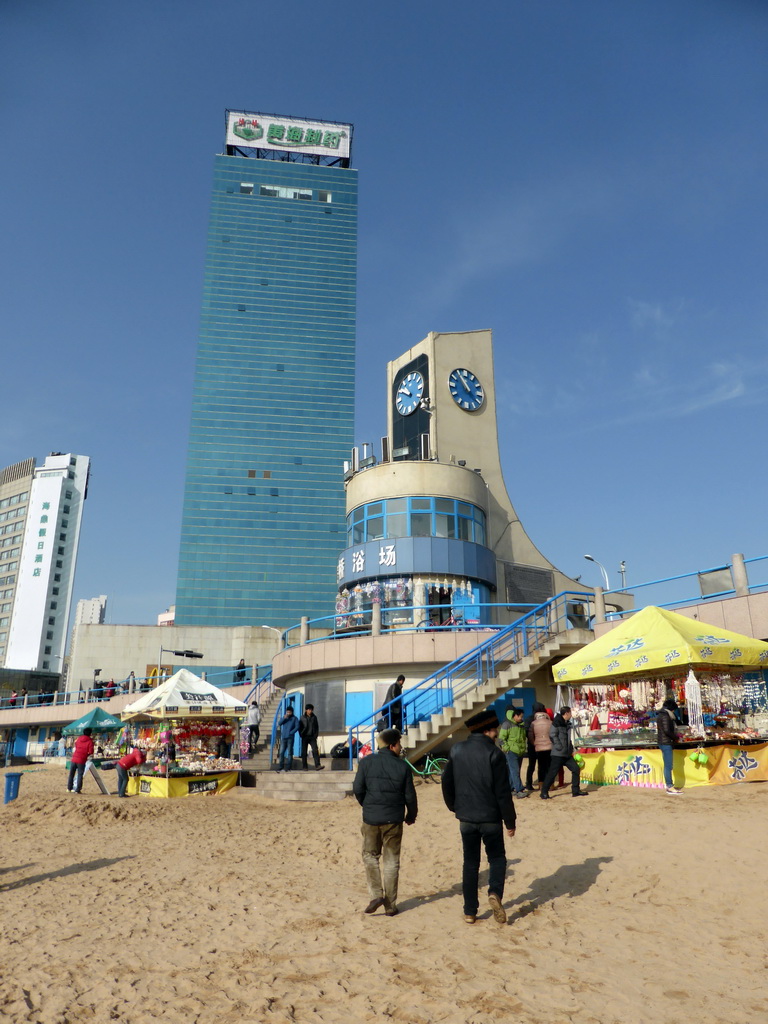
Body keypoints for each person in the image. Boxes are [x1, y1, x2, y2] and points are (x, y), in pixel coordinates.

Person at [442, 709, 516, 925]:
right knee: (497, 858)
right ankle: (494, 893)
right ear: (487, 730)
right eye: (495, 730)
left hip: (466, 817)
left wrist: (454, 807)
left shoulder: (457, 749)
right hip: (490, 818)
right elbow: (503, 793)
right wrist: (510, 821)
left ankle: (470, 911)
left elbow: (446, 783)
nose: (497, 734)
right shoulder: (495, 754)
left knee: (470, 863)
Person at [352, 727, 417, 917]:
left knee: (370, 856)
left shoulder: (367, 763)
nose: (400, 747)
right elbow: (410, 796)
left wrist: (367, 805)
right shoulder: (403, 766)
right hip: (394, 819)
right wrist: (411, 815)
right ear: (392, 745)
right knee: (391, 861)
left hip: (371, 818)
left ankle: (376, 895)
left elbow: (358, 788)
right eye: (399, 744)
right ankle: (390, 905)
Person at [540, 707, 588, 799]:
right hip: (558, 754)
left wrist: (572, 749)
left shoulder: (567, 723)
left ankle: (575, 790)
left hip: (567, 753)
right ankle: (544, 792)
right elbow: (552, 735)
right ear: (566, 713)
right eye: (570, 713)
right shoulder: (556, 723)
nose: (571, 715)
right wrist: (559, 746)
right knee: (552, 773)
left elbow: (568, 739)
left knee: (576, 769)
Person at [498, 707, 528, 797]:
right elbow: (501, 739)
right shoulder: (506, 724)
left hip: (520, 752)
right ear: (515, 716)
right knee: (515, 771)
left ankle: (511, 788)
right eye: (520, 716)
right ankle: (519, 790)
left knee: (513, 771)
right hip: (511, 752)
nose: (521, 718)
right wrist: (507, 749)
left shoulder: (521, 725)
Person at [657, 697, 682, 795]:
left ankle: (669, 785)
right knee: (668, 765)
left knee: (668, 765)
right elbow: (667, 730)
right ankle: (669, 786)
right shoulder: (665, 716)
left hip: (664, 742)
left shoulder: (662, 715)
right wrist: (676, 737)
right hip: (666, 742)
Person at [527, 704, 553, 790]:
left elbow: (529, 734)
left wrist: (534, 743)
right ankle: (550, 784)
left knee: (535, 766)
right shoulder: (549, 721)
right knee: (548, 765)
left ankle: (532, 784)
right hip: (548, 746)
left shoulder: (530, 720)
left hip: (535, 746)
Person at [68, 728, 95, 794]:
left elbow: (76, 745)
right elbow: (91, 751)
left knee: (71, 774)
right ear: (90, 733)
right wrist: (86, 754)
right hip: (81, 759)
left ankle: (69, 788)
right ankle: (78, 789)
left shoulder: (79, 738)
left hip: (74, 758)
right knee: (80, 775)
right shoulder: (90, 741)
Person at [299, 703, 324, 771]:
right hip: (305, 736)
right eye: (309, 710)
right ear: (306, 710)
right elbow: (300, 727)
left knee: (315, 750)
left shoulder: (314, 717)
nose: (310, 711)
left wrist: (315, 735)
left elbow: (316, 726)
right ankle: (304, 766)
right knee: (304, 752)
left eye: (311, 710)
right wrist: (301, 734)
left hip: (312, 737)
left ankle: (317, 765)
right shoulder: (302, 717)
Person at [277, 705, 300, 772]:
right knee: (281, 752)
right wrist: (284, 718)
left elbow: (297, 726)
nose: (288, 713)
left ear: (292, 712)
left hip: (290, 737)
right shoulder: (285, 717)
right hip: (284, 737)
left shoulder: (295, 718)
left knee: (290, 752)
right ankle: (281, 766)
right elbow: (279, 723)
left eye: (289, 712)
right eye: (287, 712)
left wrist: (291, 732)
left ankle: (288, 766)